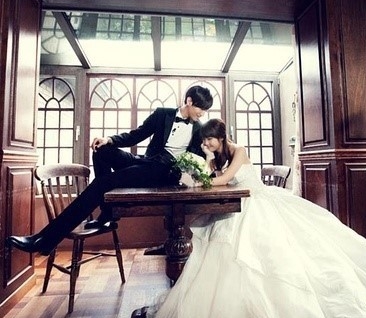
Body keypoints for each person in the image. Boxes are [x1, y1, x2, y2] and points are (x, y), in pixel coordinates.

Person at [147, 118, 366, 318]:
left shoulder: (239, 151)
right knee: (219, 242)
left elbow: (222, 181)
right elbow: (215, 179)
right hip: (235, 205)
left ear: (221, 137)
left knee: (267, 256)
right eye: (204, 140)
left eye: (209, 139)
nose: (206, 143)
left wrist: (197, 177)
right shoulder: (217, 157)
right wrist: (206, 162)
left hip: (256, 204)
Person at [6, 85, 213, 255]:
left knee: (103, 183)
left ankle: (45, 240)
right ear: (189, 101)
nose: (202, 113)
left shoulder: (199, 129)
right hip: (146, 162)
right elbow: (136, 135)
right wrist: (110, 139)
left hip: (162, 173)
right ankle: (107, 211)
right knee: (102, 151)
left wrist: (208, 160)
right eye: (201, 108)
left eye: (205, 110)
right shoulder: (163, 114)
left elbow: (200, 159)